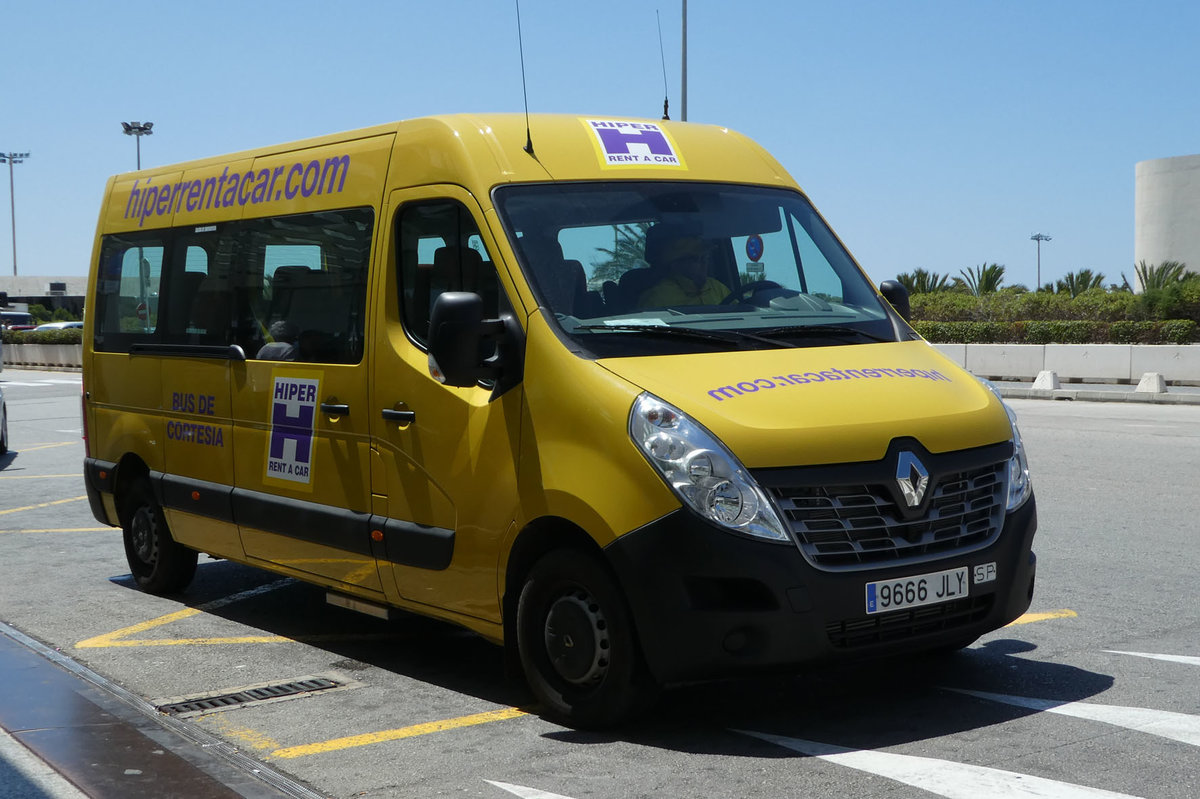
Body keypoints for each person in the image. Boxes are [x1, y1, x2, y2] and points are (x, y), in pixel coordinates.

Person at [637, 235, 729, 308]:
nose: (704, 263)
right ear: (675, 265)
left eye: (705, 257)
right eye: (696, 259)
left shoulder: (717, 287)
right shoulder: (657, 298)